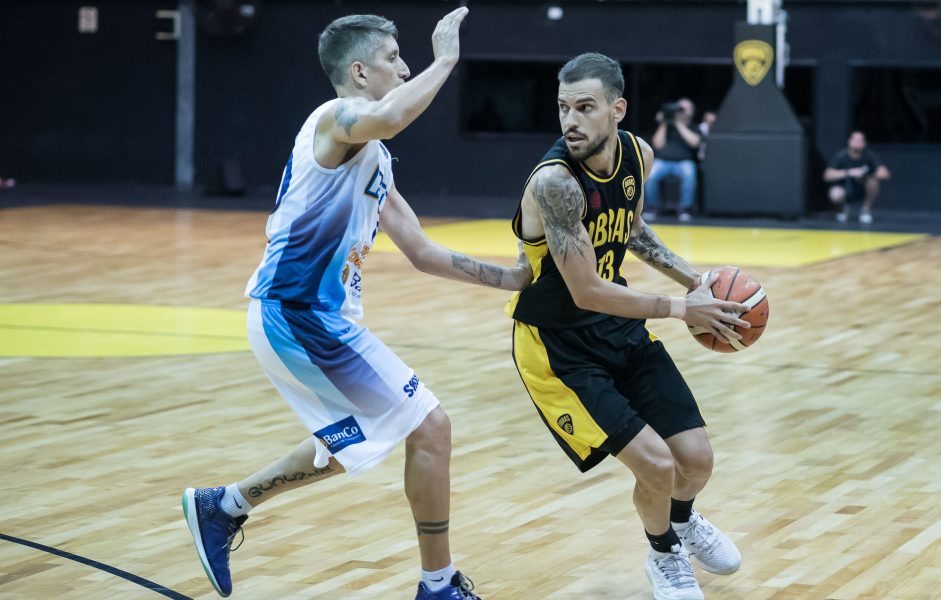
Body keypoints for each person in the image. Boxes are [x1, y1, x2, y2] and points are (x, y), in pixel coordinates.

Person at [182, 9, 529, 599]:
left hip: (315, 319)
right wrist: (447, 58)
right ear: (360, 72)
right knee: (430, 426)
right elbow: (390, 117)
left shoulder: (373, 158)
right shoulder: (334, 119)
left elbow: (421, 251)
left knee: (358, 440)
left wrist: (514, 280)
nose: (406, 67)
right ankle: (438, 585)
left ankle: (224, 506)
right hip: (296, 314)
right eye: (394, 57)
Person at [507, 53, 748, 600]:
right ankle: (663, 554)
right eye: (564, 107)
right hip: (560, 345)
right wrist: (683, 309)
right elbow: (587, 290)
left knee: (696, 460)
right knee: (658, 465)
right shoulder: (556, 183)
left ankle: (682, 520)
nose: (571, 120)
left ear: (617, 109)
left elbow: (633, 230)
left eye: (585, 107)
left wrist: (697, 282)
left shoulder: (638, 154)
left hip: (619, 327)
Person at [642, 98, 701, 223]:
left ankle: (685, 209)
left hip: (684, 162)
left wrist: (679, 123)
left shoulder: (694, 127)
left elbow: (695, 143)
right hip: (663, 161)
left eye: (684, 109)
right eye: (679, 108)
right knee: (650, 176)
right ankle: (652, 208)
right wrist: (664, 122)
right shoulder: (666, 127)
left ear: (692, 112)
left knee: (689, 175)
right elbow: (657, 145)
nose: (681, 111)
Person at [823, 131, 891, 224]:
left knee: (873, 182)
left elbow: (885, 173)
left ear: (864, 143)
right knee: (835, 194)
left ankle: (865, 210)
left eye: (860, 141)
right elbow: (827, 175)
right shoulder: (841, 156)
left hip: (862, 188)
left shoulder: (869, 156)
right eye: (855, 140)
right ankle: (843, 209)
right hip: (846, 189)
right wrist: (849, 172)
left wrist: (869, 175)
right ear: (849, 142)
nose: (857, 143)